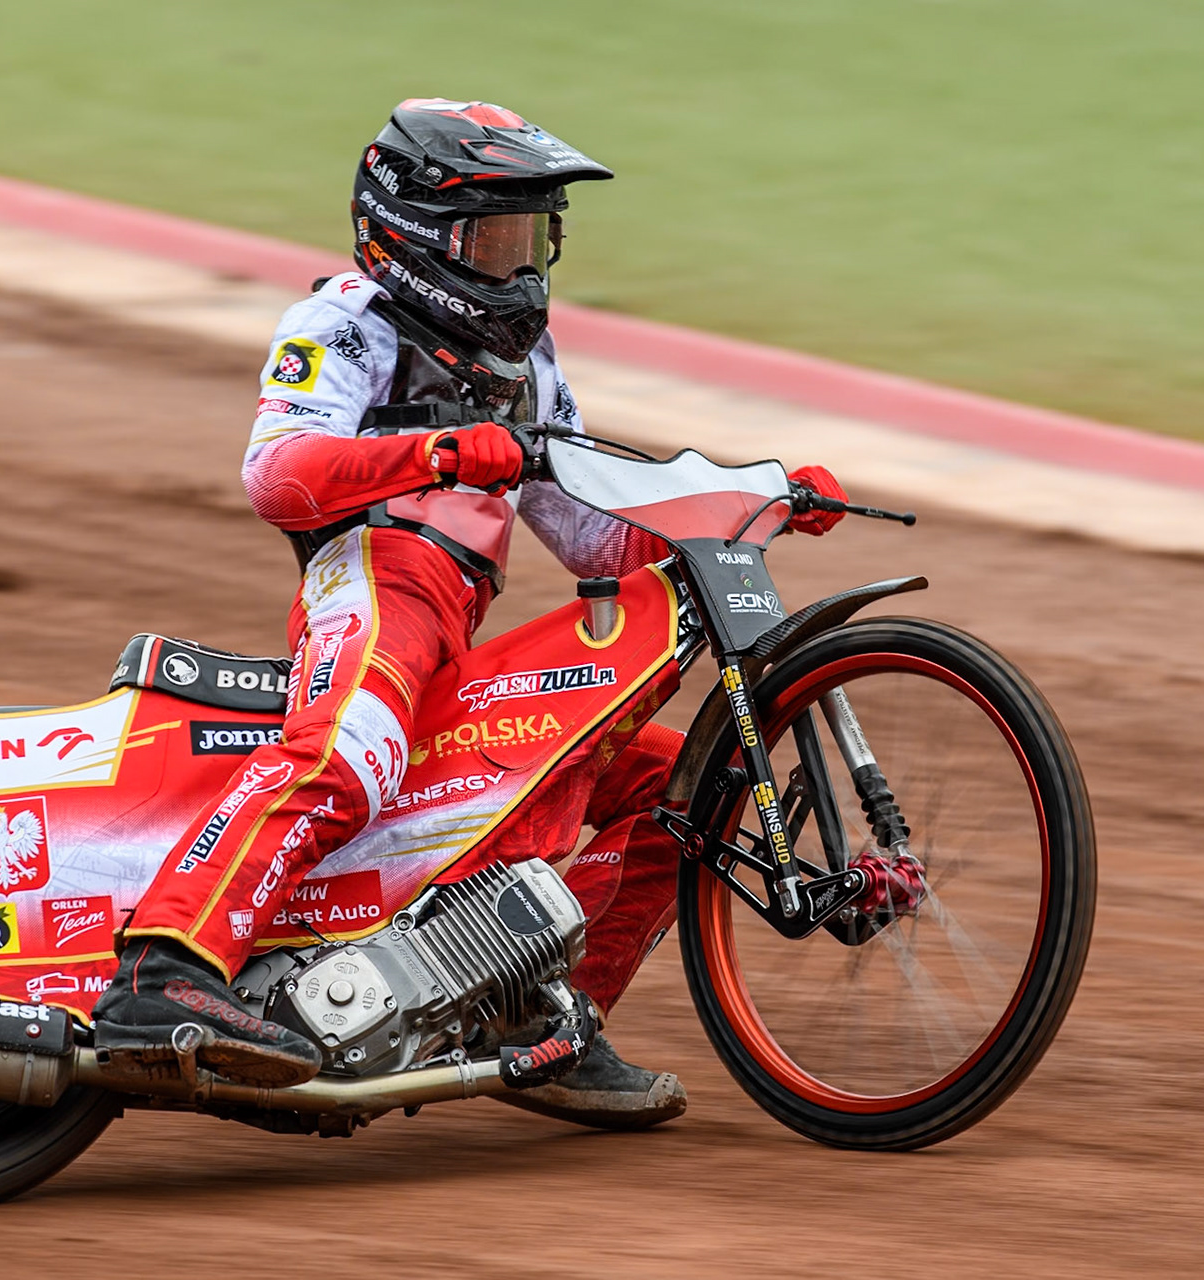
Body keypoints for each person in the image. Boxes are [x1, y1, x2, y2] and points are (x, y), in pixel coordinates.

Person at [93, 99, 849, 1127]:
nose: (520, 262)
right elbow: (277, 475)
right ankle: (164, 966)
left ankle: (540, 1019)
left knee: (679, 793)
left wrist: (747, 514)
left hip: (456, 621)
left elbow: (596, 536)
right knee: (345, 753)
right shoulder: (348, 319)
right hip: (374, 581)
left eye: (534, 234)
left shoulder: (525, 359)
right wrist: (440, 451)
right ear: (412, 229)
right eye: (495, 235)